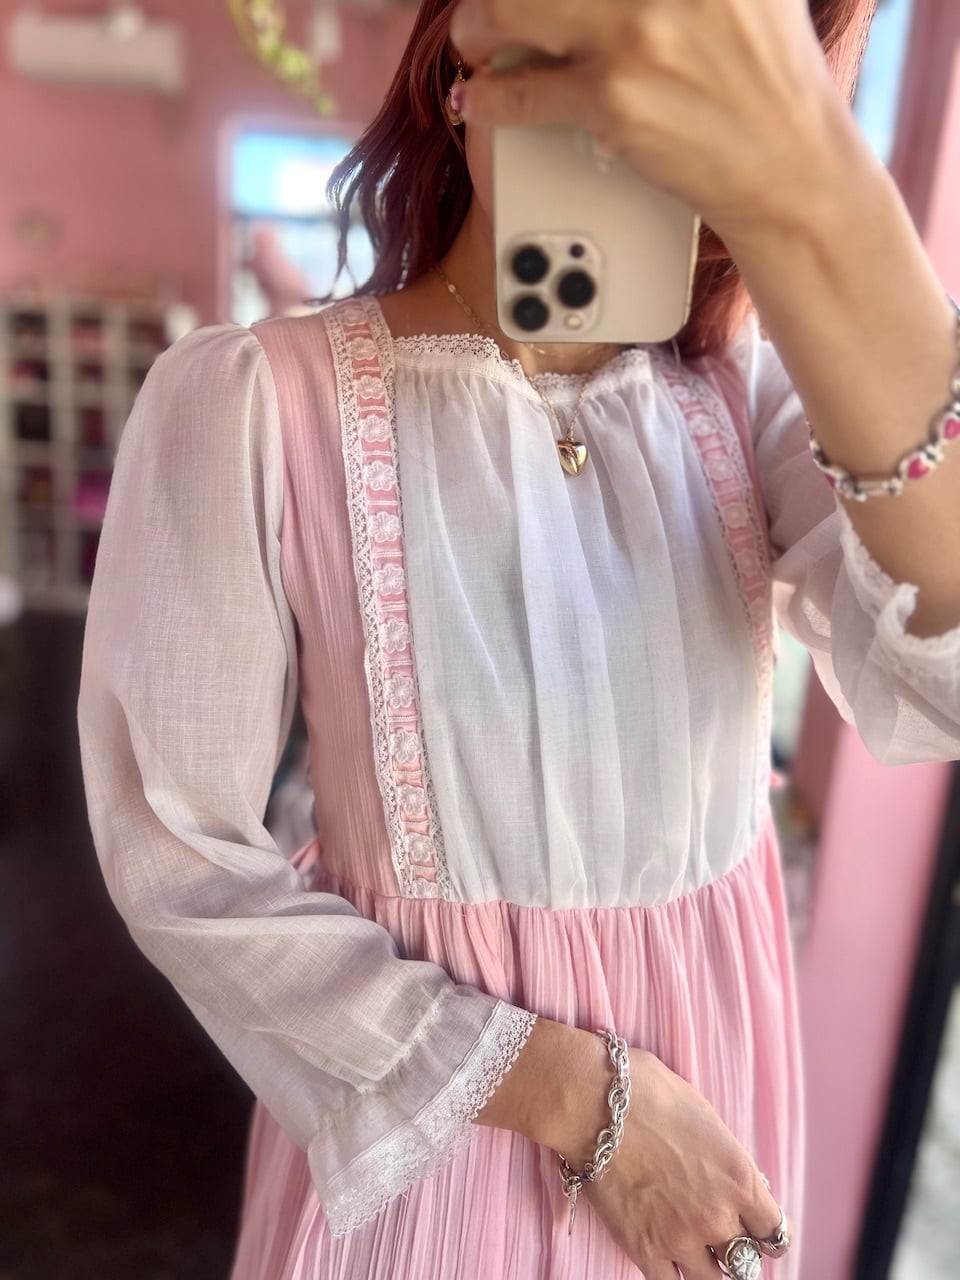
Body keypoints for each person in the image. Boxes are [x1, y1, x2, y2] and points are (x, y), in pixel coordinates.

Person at [77, 1, 960, 1277]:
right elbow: (178, 856)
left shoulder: (753, 401)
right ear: (464, 66)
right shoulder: (256, 403)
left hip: (718, 1105)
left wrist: (822, 206)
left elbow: (942, 678)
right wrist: (570, 1093)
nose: (629, 104)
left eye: (698, 70)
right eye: (589, 41)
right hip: (435, 1138)